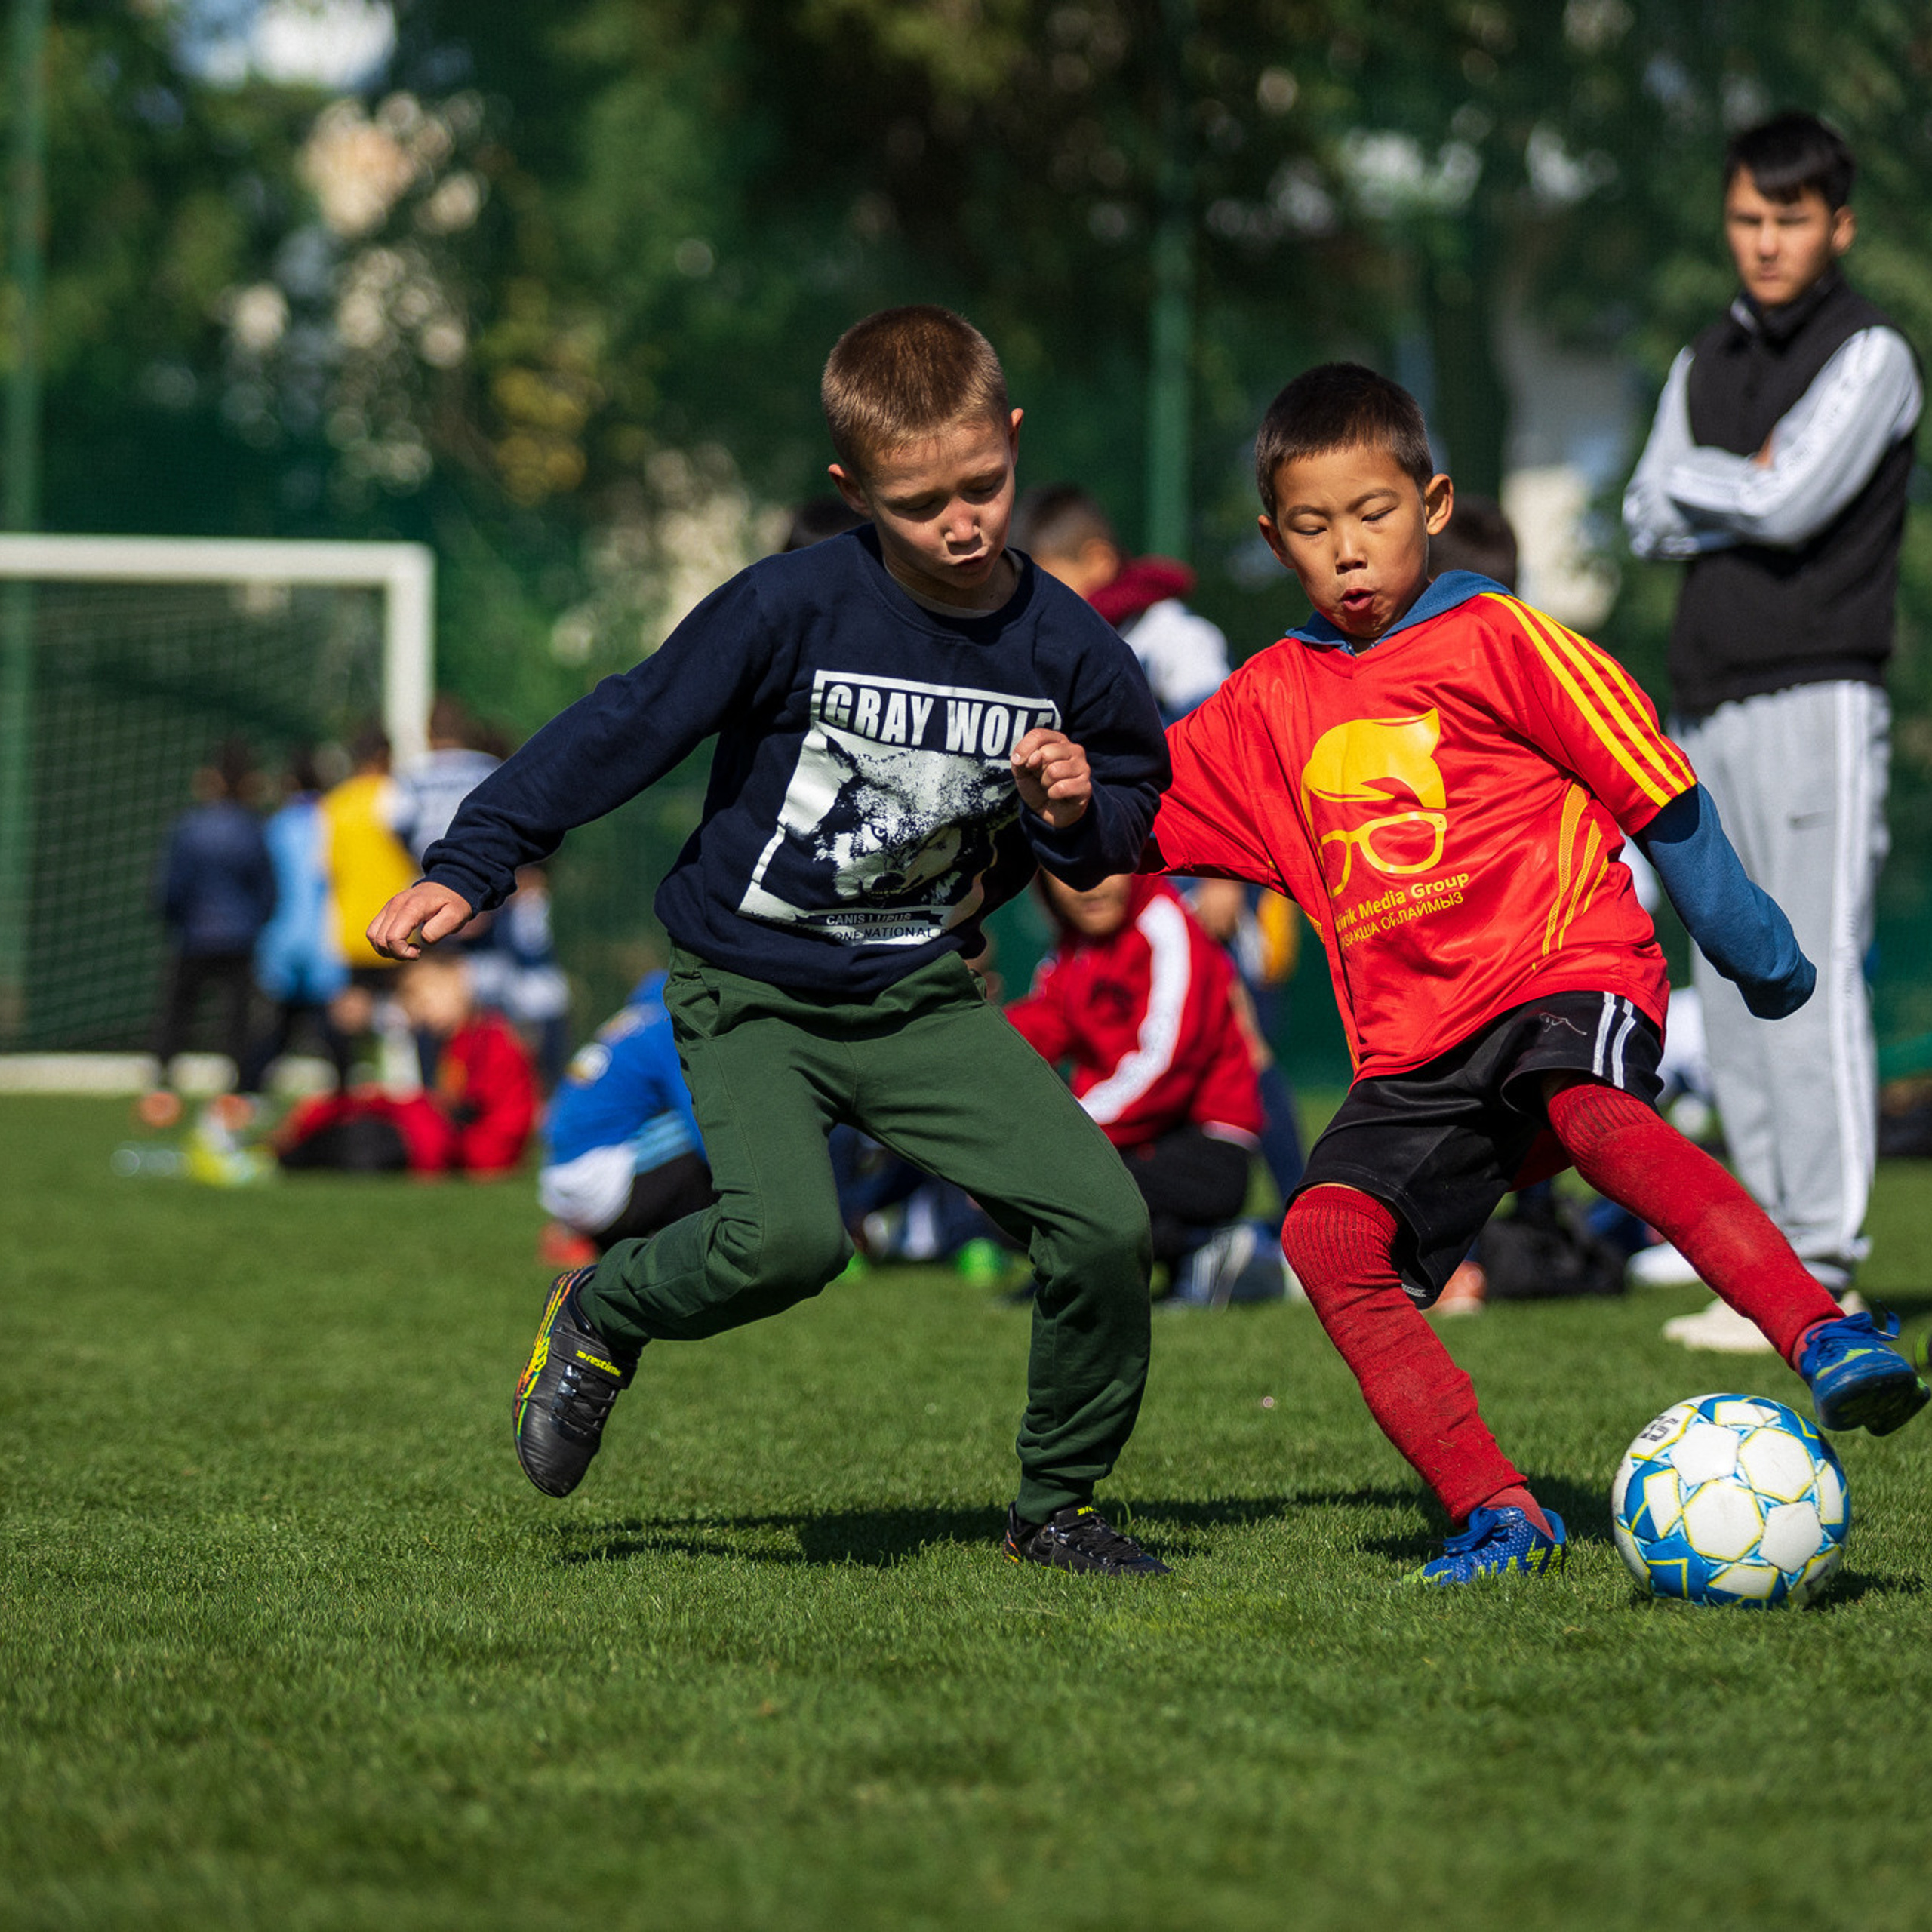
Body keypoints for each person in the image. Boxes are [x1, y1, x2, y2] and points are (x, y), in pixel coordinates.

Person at [367, 305, 1174, 1578]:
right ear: (854, 491)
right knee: (789, 1244)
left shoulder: (1066, 643)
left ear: (1013, 442)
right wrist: (476, 858)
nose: (962, 523)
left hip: (919, 996)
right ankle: (602, 1307)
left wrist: (1076, 809)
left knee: (1103, 1222)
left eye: (985, 485)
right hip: (748, 988)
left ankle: (1054, 1507)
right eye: (920, 504)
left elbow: (1134, 803)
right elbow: (627, 723)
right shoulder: (786, 607)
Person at [1143, 361, 1927, 1584]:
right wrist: (1051, 794)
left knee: (1594, 1113)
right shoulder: (1266, 702)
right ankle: (1501, 1513)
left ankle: (1821, 1332)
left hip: (1566, 965)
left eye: (1374, 514)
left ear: (1435, 504)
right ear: (1271, 538)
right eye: (1311, 526)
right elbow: (1135, 811)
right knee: (1326, 1237)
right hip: (1415, 1048)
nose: (1347, 550)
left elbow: (1651, 783)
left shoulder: (1500, 637)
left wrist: (1754, 946)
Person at [1623, 112, 1921, 1352]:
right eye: (1748, 218)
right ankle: (1761, 1265)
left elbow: (1791, 499)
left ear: (1837, 225)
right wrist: (1725, 480)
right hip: (1706, 706)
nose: (1765, 241)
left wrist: (1717, 483)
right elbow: (1644, 511)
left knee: (1815, 974)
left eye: (1790, 219)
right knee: (1733, 982)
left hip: (1819, 697)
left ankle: (1826, 1268)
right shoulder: (1706, 355)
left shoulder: (1875, 352)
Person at [1005, 872, 1275, 1306]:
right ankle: (1084, 1276)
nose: (1089, 883)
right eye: (1066, 870)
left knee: (1054, 1189)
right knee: (1006, 1191)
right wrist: (975, 1060)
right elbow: (1041, 1025)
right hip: (1126, 1141)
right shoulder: (1071, 948)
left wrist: (1061, 1132)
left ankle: (1212, 1249)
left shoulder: (1168, 928)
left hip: (1203, 1148)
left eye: (1105, 863)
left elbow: (1165, 1065)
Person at [276, 956, 537, 1176]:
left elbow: (467, 1109)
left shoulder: (489, 1038)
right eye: (418, 1005)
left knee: (368, 1129)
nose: (425, 1011)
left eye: (428, 998)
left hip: (482, 1151)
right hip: (467, 1146)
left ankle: (293, 1146)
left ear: (458, 980)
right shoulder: (458, 1039)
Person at [1013, 482, 1229, 723]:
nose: (1042, 601)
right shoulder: (1063, 647)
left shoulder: (1173, 633)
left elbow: (1214, 735)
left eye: (1051, 584)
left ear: (1098, 561)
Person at [537, 971, 715, 1254]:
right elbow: (704, 1121)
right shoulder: (670, 1024)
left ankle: (585, 1236)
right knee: (714, 1126)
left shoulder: (632, 1021)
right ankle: (708, 1242)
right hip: (602, 1183)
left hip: (560, 1175)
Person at [151, 737, 277, 1091]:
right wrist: (257, 921)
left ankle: (162, 1082)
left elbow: (173, 885)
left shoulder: (191, 827)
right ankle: (240, 1087)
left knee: (178, 1013)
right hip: (240, 936)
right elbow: (267, 888)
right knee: (237, 1018)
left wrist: (175, 919)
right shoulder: (254, 828)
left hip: (195, 934)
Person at [240, 748, 352, 1097]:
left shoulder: (277, 824)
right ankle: (345, 1100)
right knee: (331, 1034)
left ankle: (247, 1096)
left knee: (276, 1029)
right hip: (323, 941)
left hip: (282, 939)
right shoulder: (333, 819)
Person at [317, 724, 418, 1080]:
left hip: (353, 926)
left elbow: (327, 868)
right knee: (408, 1007)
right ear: (385, 756)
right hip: (398, 921)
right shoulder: (396, 795)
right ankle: (406, 1084)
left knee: (349, 1011)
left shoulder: (335, 804)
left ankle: (344, 1087)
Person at [390, 696, 503, 867]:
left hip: (432, 875)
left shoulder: (413, 776)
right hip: (482, 871)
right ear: (465, 729)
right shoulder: (489, 769)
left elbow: (400, 825)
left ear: (429, 732)